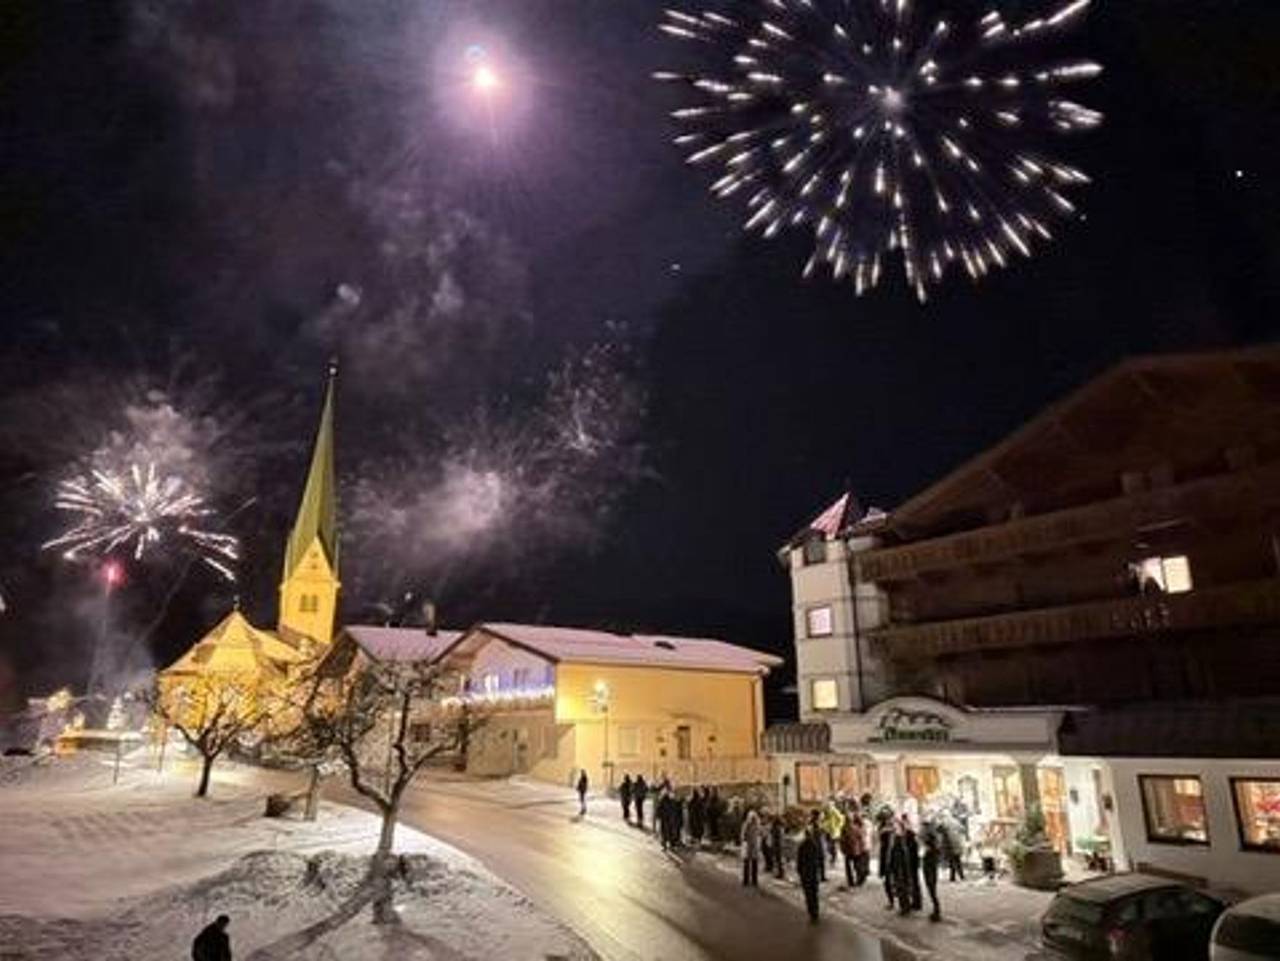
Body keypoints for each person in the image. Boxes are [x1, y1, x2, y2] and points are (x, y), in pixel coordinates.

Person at [796, 826, 823, 923]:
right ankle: (816, 911)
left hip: (805, 873)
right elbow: (819, 859)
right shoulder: (815, 845)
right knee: (814, 893)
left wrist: (799, 871)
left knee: (808, 894)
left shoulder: (802, 846)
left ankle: (811, 912)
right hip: (813, 873)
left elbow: (799, 861)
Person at [839, 804, 868, 888]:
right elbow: (861, 838)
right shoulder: (856, 828)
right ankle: (858, 880)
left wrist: (842, 848)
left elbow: (842, 840)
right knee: (856, 866)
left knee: (849, 867)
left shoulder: (844, 828)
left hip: (850, 850)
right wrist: (862, 848)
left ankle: (851, 881)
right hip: (856, 850)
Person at [921, 819, 943, 922]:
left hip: (929, 866)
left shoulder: (929, 847)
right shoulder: (934, 843)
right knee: (932, 889)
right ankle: (936, 910)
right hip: (932, 865)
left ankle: (937, 911)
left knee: (931, 888)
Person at [877, 808, 896, 910]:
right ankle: (891, 901)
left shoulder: (888, 828)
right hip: (888, 855)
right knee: (889, 880)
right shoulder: (886, 828)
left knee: (889, 880)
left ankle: (891, 901)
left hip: (888, 856)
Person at [740, 808, 762, 887]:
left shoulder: (757, 825)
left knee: (754, 864)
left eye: (754, 818)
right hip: (748, 846)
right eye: (752, 817)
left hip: (754, 846)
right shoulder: (746, 825)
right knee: (747, 864)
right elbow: (743, 835)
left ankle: (754, 880)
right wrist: (745, 842)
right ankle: (746, 880)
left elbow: (760, 834)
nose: (753, 819)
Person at [820, 801, 845, 868]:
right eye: (827, 805)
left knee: (832, 845)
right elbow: (823, 820)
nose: (828, 806)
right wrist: (823, 824)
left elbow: (841, 819)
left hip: (834, 831)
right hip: (828, 830)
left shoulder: (835, 811)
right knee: (829, 845)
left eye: (829, 805)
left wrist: (838, 826)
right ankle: (832, 857)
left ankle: (833, 859)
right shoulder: (825, 811)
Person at [942, 817, 965, 882]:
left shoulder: (946, 824)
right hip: (955, 844)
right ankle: (956, 876)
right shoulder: (956, 823)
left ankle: (955, 877)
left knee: (954, 861)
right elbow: (963, 829)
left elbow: (939, 829)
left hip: (951, 846)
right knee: (956, 861)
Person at [808, 810, 827, 882]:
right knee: (817, 862)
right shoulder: (813, 824)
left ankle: (822, 876)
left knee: (820, 861)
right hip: (816, 845)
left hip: (819, 844)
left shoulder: (818, 823)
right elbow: (815, 834)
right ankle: (819, 876)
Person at [769, 811, 786, 879]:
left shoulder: (776, 828)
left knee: (778, 860)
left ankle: (780, 873)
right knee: (779, 860)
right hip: (779, 845)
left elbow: (775, 837)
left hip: (777, 845)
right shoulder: (780, 828)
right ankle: (780, 873)